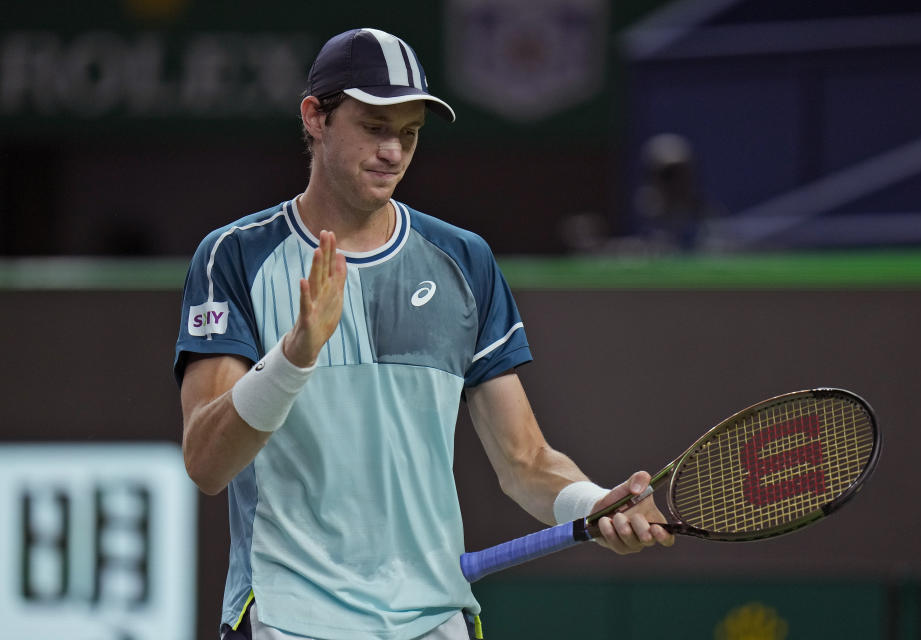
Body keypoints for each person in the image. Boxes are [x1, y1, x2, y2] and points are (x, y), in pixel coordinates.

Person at [175, 28, 673, 640]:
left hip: (432, 624)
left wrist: (592, 504)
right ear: (316, 117)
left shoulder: (464, 260)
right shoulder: (234, 256)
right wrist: (294, 356)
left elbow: (525, 461)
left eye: (409, 134)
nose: (393, 151)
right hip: (287, 620)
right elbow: (205, 462)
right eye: (375, 126)